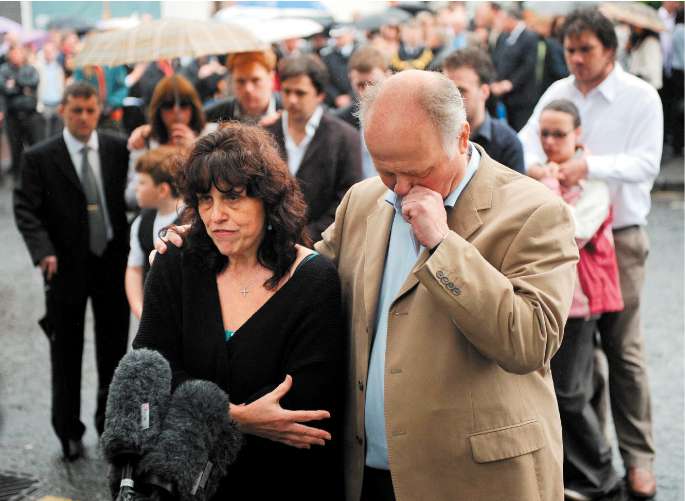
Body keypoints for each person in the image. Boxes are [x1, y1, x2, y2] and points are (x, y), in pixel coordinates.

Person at [316, 70, 577, 500]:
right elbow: (306, 281)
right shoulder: (362, 201)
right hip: (368, 475)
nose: (400, 190)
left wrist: (443, 246)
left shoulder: (535, 212)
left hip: (476, 482)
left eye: (416, 173)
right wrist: (209, 253)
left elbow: (530, 341)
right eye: (385, 171)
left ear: (461, 137)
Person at [132, 123, 345, 500]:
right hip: (182, 482)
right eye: (205, 199)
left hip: (281, 482)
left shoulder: (313, 281)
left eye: (232, 198)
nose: (216, 216)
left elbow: (300, 409)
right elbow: (149, 374)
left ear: (268, 198)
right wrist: (238, 417)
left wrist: (196, 408)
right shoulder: (176, 262)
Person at [518, 8, 662, 498]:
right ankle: (594, 459)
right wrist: (541, 169)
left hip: (618, 236)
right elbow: (525, 144)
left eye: (585, 50)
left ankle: (638, 459)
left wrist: (588, 165)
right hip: (562, 243)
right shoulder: (557, 92)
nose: (575, 60)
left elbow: (648, 161)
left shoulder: (640, 95)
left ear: (610, 50)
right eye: (569, 51)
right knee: (578, 361)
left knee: (624, 353)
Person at [13, 82, 130, 461]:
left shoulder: (117, 148)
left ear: (100, 111)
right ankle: (68, 430)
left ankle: (108, 424)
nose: (83, 117)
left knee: (114, 350)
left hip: (112, 261)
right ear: (63, 109)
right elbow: (25, 209)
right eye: (76, 110)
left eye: (90, 110)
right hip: (64, 265)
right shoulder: (41, 156)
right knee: (65, 352)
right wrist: (43, 252)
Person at [534, 99, 623, 500]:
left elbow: (568, 232)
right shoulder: (536, 175)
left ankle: (601, 475)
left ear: (578, 136)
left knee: (570, 393)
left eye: (559, 134)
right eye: (544, 134)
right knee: (558, 392)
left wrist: (548, 185)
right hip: (545, 298)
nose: (550, 142)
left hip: (579, 304)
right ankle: (575, 473)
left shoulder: (594, 183)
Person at [265, 54, 361, 241]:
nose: (292, 100)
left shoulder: (344, 138)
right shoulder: (265, 134)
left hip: (322, 249)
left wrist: (305, 238)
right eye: (286, 92)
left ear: (320, 95)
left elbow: (347, 202)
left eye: (300, 93)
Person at [125, 75, 215, 208]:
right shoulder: (146, 141)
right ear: (158, 110)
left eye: (183, 104)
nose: (176, 111)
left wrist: (195, 149)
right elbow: (131, 196)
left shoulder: (211, 134)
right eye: (168, 105)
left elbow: (217, 183)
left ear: (193, 107)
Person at [442, 47, 525, 173]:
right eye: (447, 90)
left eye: (461, 91)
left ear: (484, 92)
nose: (452, 98)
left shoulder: (507, 144)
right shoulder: (435, 137)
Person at [125, 146, 185, 320]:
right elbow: (134, 270)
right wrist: (141, 311)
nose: (136, 188)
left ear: (162, 190)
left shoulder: (191, 220)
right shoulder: (141, 222)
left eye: (142, 183)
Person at [334, 46, 391, 179]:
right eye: (360, 85)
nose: (366, 92)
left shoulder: (407, 117)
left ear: (388, 75)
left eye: (372, 84)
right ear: (350, 80)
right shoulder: (340, 122)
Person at [490, 5, 540, 131]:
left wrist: (511, 83)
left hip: (522, 97)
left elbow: (528, 66)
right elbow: (496, 60)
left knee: (521, 129)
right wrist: (495, 82)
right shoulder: (503, 36)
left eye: (502, 19)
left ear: (511, 19)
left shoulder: (530, 37)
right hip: (504, 97)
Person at [204, 50, 282, 125]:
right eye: (241, 81)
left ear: (271, 78)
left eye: (255, 80)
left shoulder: (287, 111)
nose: (248, 89)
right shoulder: (214, 116)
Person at [0, 44, 43, 179]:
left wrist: (15, 83)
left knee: (35, 145)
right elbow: (5, 89)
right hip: (13, 115)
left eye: (19, 53)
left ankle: (37, 174)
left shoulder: (30, 69)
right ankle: (17, 177)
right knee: (16, 148)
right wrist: (23, 88)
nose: (16, 56)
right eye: (14, 53)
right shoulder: (4, 70)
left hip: (31, 114)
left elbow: (34, 83)